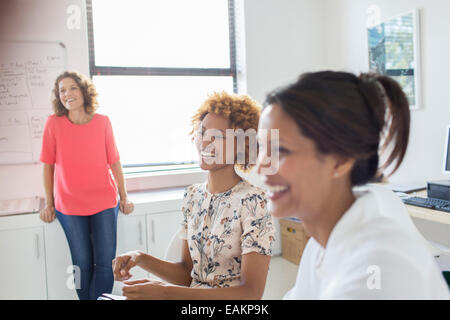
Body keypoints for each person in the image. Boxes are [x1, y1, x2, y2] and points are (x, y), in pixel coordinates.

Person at [256, 71, 450, 299]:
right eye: (261, 148)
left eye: (280, 151)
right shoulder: (319, 247)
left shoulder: (379, 267)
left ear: (341, 159)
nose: (262, 167)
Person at [112, 91, 275, 299]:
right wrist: (140, 258)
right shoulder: (192, 196)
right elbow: (187, 275)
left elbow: (251, 294)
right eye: (203, 132)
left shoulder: (255, 202)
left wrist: (164, 292)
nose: (205, 142)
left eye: (218, 137)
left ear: (242, 146)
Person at [39, 70, 134, 300]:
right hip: (68, 205)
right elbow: (48, 166)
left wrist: (124, 196)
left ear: (84, 91)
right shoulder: (53, 124)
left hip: (104, 201)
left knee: (106, 262)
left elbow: (114, 162)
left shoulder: (103, 122)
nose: (67, 94)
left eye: (72, 88)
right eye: (62, 90)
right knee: (81, 264)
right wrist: (49, 204)